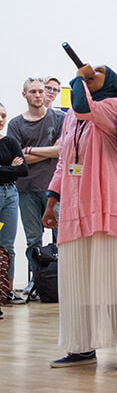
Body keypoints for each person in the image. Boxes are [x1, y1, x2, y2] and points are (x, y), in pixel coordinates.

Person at [44, 63, 117, 370]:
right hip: (75, 206)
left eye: (96, 71)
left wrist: (76, 78)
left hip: (106, 202)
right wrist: (52, 200)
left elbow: (83, 104)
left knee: (113, 276)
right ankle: (81, 347)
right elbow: (64, 160)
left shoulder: (113, 106)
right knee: (77, 278)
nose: (89, 73)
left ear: (109, 79)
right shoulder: (72, 117)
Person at [6, 77, 63, 300]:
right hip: (27, 189)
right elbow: (17, 161)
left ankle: (62, 281)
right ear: (25, 95)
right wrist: (48, 151)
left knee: (61, 238)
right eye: (33, 92)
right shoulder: (15, 125)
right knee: (33, 240)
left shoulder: (60, 118)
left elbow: (63, 151)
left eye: (41, 91)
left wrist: (29, 150)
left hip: (56, 189)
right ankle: (36, 282)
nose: (38, 95)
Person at [1, 102, 30, 303]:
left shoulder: (10, 142)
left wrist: (4, 168)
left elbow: (23, 170)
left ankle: (6, 291)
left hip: (11, 195)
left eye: (3, 115)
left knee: (7, 246)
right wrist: (9, 167)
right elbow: (15, 169)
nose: (1, 119)